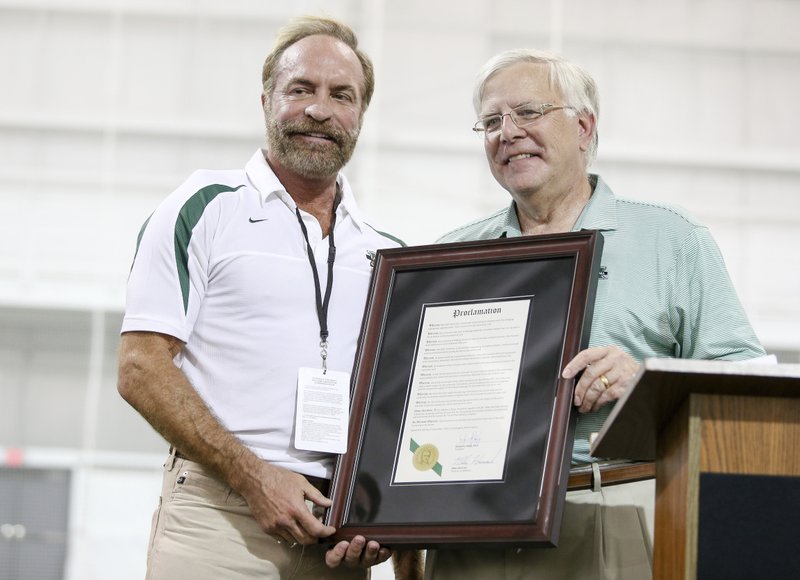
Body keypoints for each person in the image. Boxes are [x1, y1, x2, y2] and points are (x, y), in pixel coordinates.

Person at [424, 49, 769, 580]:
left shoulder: (671, 241)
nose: (507, 131)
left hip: (613, 511)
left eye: (529, 112)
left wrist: (646, 382)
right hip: (469, 529)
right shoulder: (448, 258)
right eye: (491, 121)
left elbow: (745, 386)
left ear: (583, 127)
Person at [117, 15, 419, 580]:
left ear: (359, 116)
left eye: (341, 95)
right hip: (219, 520)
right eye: (301, 89)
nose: (319, 110)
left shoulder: (386, 254)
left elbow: (400, 407)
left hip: (338, 532)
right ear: (266, 101)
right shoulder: (205, 207)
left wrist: (387, 520)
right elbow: (139, 367)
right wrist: (254, 477)